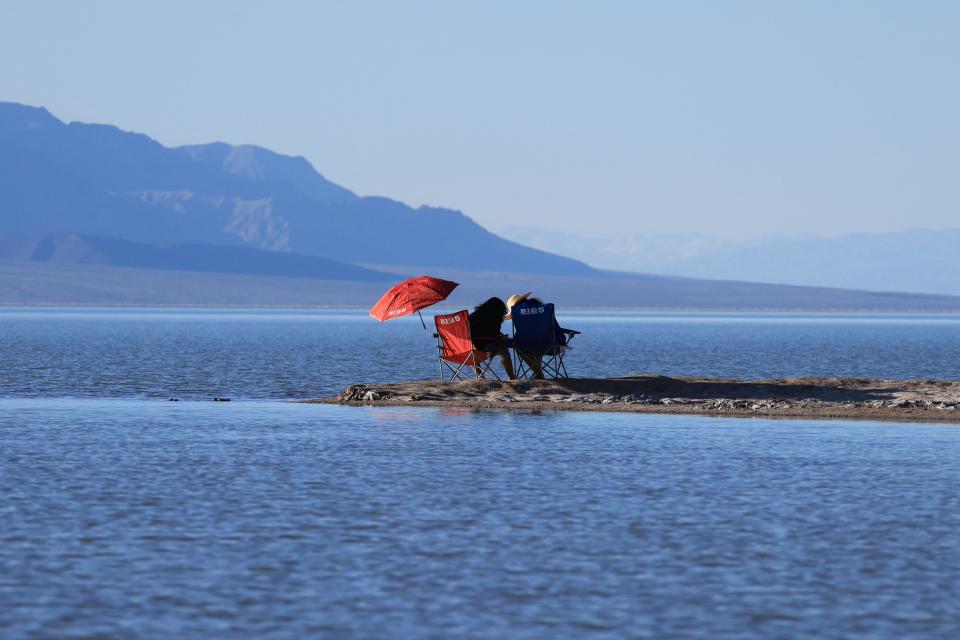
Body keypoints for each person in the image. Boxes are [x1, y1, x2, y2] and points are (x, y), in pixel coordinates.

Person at [505, 292, 568, 379]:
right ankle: (538, 374)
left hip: (527, 347)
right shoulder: (546, 309)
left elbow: (519, 337)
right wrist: (563, 341)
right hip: (551, 346)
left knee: (521, 346)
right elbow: (555, 328)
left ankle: (538, 373)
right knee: (539, 340)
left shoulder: (517, 312)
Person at [468, 297, 516, 380]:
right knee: (503, 350)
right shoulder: (494, 318)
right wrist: (501, 338)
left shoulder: (473, 316)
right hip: (484, 348)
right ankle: (512, 377)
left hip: (469, 349)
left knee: (471, 352)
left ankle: (481, 376)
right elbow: (494, 335)